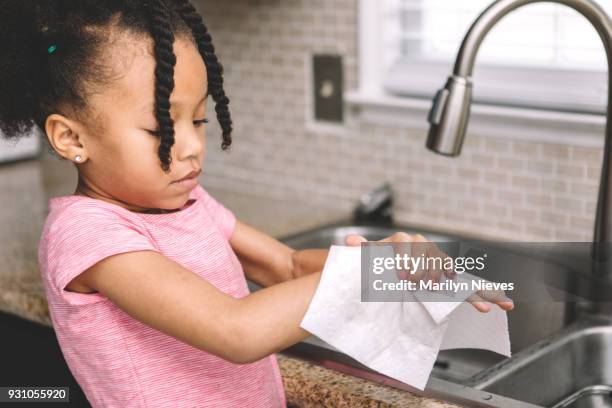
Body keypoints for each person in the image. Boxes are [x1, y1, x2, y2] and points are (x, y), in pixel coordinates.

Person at [0, 1, 514, 407]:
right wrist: (362, 274)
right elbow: (236, 330)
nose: (193, 145)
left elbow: (285, 265)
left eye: (199, 120)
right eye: (161, 126)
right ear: (71, 138)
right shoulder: (88, 236)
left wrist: (389, 270)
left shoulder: (187, 201)